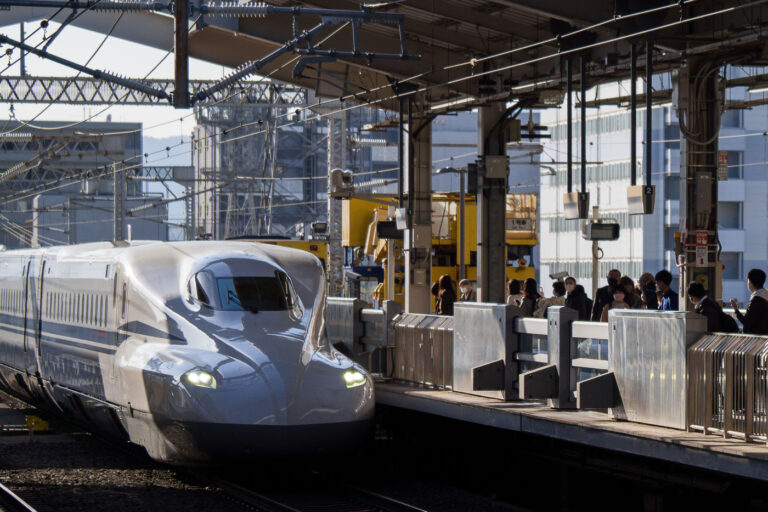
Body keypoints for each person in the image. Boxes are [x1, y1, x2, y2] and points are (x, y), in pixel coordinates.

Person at [730, 269, 768, 335]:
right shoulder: (764, 295)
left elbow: (747, 322)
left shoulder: (756, 299)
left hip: (756, 339)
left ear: (750, 282)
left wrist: (736, 309)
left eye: (748, 280)